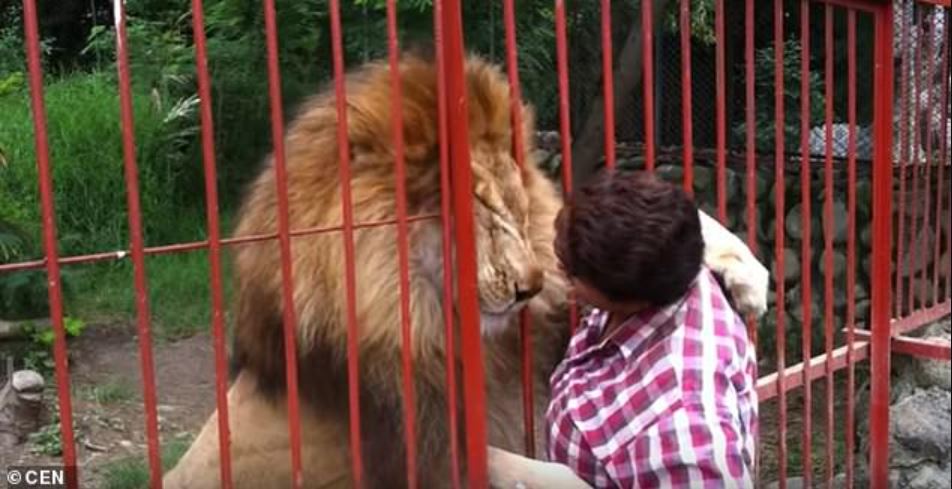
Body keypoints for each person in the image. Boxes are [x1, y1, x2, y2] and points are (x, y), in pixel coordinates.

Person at [489, 170, 758, 489]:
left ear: (619, 288)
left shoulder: (683, 428)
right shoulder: (673, 257)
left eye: (571, 272)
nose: (555, 270)